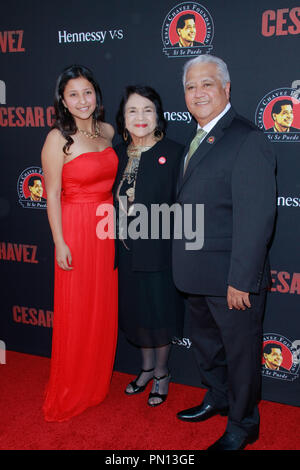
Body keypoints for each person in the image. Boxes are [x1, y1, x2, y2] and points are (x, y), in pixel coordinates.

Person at [173, 55, 276, 450]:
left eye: (207, 84)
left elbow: (256, 218)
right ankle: (216, 396)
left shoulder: (246, 139)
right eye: (190, 86)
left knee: (241, 354)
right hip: (194, 274)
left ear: (227, 89)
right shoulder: (195, 139)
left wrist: (241, 280)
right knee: (207, 348)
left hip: (231, 279)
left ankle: (244, 422)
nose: (198, 93)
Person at [41, 65, 118, 422]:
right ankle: (73, 385)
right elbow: (52, 193)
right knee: (77, 308)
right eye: (73, 94)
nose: (82, 100)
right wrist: (59, 241)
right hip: (75, 228)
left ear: (96, 94)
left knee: (101, 304)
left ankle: (95, 382)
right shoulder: (58, 138)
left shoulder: (109, 131)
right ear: (63, 100)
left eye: (87, 92)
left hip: (106, 228)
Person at [114, 85, 184, 407]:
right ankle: (144, 369)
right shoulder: (116, 154)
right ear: (123, 118)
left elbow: (183, 208)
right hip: (125, 254)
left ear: (158, 115)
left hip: (159, 255)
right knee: (136, 314)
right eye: (132, 110)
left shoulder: (174, 152)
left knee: (158, 315)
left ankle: (161, 373)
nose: (140, 117)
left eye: (147, 110)